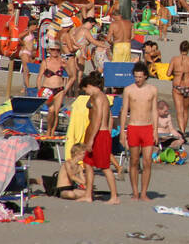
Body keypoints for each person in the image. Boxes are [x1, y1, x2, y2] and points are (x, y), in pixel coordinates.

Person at [119, 61, 158, 202]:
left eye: (140, 77)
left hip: (147, 127)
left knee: (148, 162)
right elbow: (124, 111)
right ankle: (135, 192)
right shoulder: (129, 90)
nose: (138, 79)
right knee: (134, 161)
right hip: (134, 127)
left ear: (146, 76)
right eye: (135, 77)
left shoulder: (152, 90)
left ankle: (144, 193)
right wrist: (122, 131)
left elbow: (154, 110)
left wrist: (155, 131)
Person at [76, 71, 118, 205]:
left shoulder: (100, 97)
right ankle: (88, 195)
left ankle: (114, 196)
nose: (86, 93)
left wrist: (92, 139)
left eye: (85, 90)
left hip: (100, 133)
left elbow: (98, 119)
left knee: (105, 166)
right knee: (88, 164)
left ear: (89, 86)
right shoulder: (95, 96)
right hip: (95, 132)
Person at [38, 46, 69, 137]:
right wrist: (39, 90)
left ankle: (52, 132)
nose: (55, 51)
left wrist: (65, 67)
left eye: (57, 50)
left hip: (59, 89)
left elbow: (71, 75)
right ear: (49, 50)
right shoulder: (45, 62)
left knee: (56, 112)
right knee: (51, 110)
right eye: (53, 49)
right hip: (47, 89)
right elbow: (39, 76)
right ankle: (48, 130)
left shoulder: (62, 61)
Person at [168, 40, 189, 137]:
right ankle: (183, 129)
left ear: (180, 48)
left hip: (177, 85)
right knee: (186, 110)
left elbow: (168, 73)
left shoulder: (174, 59)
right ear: (188, 49)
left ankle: (182, 131)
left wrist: (175, 74)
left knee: (179, 111)